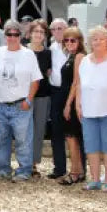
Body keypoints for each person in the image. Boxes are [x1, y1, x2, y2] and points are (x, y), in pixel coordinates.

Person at [0, 18, 42, 181]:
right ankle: (3, 169)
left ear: (21, 35)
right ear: (5, 35)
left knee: (23, 140)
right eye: (9, 34)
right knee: (2, 140)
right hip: (1, 105)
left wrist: (29, 100)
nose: (12, 37)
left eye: (16, 34)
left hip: (21, 105)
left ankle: (24, 170)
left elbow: (36, 79)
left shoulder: (28, 54)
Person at [76, 26, 107, 192]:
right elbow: (80, 85)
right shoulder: (84, 61)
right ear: (90, 42)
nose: (97, 41)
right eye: (94, 39)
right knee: (91, 146)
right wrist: (78, 104)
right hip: (88, 111)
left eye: (101, 38)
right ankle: (95, 180)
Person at [59, 27, 87, 186]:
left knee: (72, 137)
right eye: (66, 40)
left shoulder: (79, 57)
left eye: (73, 40)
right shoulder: (71, 56)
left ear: (79, 41)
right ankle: (79, 170)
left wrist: (68, 104)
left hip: (73, 100)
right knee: (72, 137)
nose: (69, 43)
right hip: (67, 98)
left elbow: (76, 82)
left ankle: (75, 172)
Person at [27, 19, 52, 177]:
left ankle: (33, 164)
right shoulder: (23, 51)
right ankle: (24, 162)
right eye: (36, 31)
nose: (38, 34)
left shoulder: (48, 54)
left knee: (38, 130)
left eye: (41, 32)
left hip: (43, 95)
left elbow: (50, 73)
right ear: (30, 33)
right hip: (25, 96)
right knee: (24, 130)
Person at [47, 17, 69, 179]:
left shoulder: (73, 47)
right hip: (55, 92)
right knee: (56, 132)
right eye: (53, 29)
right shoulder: (51, 47)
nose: (57, 32)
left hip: (71, 91)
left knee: (75, 133)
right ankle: (59, 168)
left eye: (60, 28)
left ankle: (79, 168)